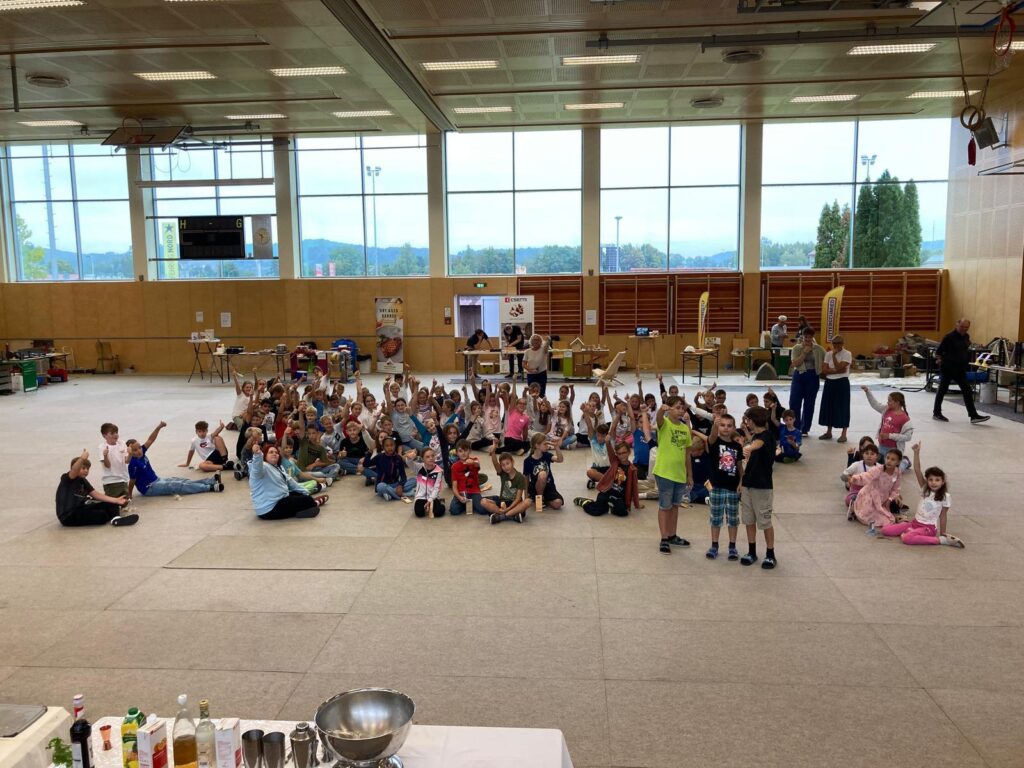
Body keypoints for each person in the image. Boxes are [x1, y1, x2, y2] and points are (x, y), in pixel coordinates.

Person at [871, 442, 965, 547]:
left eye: (937, 480)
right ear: (927, 481)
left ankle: (940, 540)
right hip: (914, 523)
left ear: (942, 482)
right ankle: (910, 530)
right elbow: (917, 470)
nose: (934, 482)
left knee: (907, 539)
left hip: (928, 528)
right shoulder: (925, 489)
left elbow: (943, 516)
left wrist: (943, 534)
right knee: (885, 530)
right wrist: (916, 453)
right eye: (931, 480)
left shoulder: (945, 497)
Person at [127, 421, 224, 498]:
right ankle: (210, 487)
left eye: (139, 447)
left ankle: (209, 481)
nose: (139, 451)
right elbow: (132, 481)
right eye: (135, 450)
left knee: (180, 480)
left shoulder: (142, 452)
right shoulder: (133, 464)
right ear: (130, 451)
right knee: (176, 485)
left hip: (157, 480)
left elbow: (150, 439)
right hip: (149, 488)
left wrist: (159, 427)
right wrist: (129, 495)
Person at [653, 396, 693, 555]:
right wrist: (660, 410)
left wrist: (689, 475)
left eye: (683, 408)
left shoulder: (685, 429)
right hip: (664, 472)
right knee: (665, 506)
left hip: (680, 474)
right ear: (669, 409)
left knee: (675, 505)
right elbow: (658, 419)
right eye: (677, 407)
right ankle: (664, 538)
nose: (681, 411)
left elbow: (687, 454)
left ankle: (672, 535)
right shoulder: (664, 424)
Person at [56, 451, 137, 527]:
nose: (86, 471)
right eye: (83, 468)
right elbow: (74, 470)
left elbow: (95, 494)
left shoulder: (83, 481)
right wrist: (82, 459)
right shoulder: (67, 479)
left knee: (112, 503)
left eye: (87, 469)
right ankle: (109, 515)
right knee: (101, 516)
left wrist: (116, 500)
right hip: (68, 515)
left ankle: (116, 519)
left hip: (81, 508)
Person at [739, 406, 776, 569]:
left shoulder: (767, 436)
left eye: (747, 419)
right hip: (748, 484)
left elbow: (758, 444)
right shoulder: (755, 436)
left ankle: (770, 554)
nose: (746, 422)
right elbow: (754, 441)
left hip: (762, 487)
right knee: (749, 520)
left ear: (752, 420)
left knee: (765, 521)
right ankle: (751, 551)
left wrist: (748, 447)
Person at [933, 318, 990, 424]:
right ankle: (936, 413)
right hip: (948, 367)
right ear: (957, 325)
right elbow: (938, 352)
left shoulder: (966, 337)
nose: (964, 329)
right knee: (942, 390)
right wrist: (939, 360)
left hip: (960, 368)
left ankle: (973, 415)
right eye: (962, 327)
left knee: (967, 390)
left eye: (966, 327)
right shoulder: (949, 337)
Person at [248, 443, 327, 520]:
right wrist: (257, 454)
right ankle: (314, 503)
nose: (274, 454)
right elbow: (257, 468)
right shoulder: (263, 467)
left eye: (276, 452)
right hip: (269, 509)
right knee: (307, 500)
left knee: (300, 494)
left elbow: (292, 483)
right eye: (271, 452)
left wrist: (305, 493)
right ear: (265, 455)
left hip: (279, 500)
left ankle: (308, 505)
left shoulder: (278, 468)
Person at [706, 412, 743, 561]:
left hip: (733, 488)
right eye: (722, 425)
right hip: (716, 487)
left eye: (729, 425)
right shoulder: (714, 442)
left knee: (733, 519)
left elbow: (739, 466)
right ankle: (714, 545)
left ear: (734, 427)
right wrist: (715, 425)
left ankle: (732, 546)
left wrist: (741, 482)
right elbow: (711, 437)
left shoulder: (737, 446)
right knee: (715, 518)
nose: (726, 428)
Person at [860, 386, 913, 472]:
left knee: (894, 471)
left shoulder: (905, 418)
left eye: (890, 400)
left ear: (897, 403)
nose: (887, 402)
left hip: (894, 449)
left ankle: (905, 462)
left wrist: (889, 436)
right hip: (882, 446)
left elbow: (908, 437)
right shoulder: (886, 409)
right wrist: (867, 392)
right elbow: (875, 404)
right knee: (877, 468)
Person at [849, 449, 902, 528]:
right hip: (869, 496)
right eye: (887, 458)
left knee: (888, 520)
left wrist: (891, 498)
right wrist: (856, 478)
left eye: (893, 459)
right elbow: (867, 475)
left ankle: (857, 506)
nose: (889, 461)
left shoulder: (897, 472)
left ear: (898, 462)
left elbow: (896, 488)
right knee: (867, 516)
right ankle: (854, 505)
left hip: (882, 499)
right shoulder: (879, 469)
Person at [788, 327, 825, 436]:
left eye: (810, 337)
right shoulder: (796, 348)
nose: (808, 339)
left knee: (809, 403)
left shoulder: (819, 349)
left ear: (813, 337)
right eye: (806, 337)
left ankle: (805, 429)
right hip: (799, 375)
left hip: (812, 376)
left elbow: (827, 360)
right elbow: (795, 363)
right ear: (802, 337)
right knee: (794, 402)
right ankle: (795, 427)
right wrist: (804, 353)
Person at [481, 444, 531, 524]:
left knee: (528, 501)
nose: (506, 467)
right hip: (502, 502)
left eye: (508, 463)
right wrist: (493, 452)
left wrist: (508, 509)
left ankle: (501, 516)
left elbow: (518, 499)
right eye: (503, 465)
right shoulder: (503, 473)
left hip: (515, 504)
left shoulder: (520, 477)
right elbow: (495, 463)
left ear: (512, 462)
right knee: (483, 501)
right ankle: (512, 515)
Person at [818, 335, 853, 442]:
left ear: (842, 344)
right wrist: (837, 370)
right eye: (834, 344)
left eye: (838, 343)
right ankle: (829, 432)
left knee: (843, 407)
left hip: (842, 382)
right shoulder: (828, 354)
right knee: (828, 406)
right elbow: (824, 370)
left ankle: (844, 433)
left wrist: (834, 356)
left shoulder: (847, 354)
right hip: (829, 382)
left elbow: (839, 367)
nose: (836, 346)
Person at [523, 433, 565, 512]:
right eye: (545, 444)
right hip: (536, 488)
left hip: (548, 487)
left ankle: (545, 500)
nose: (547, 446)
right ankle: (539, 498)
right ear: (537, 445)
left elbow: (560, 460)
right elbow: (526, 479)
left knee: (558, 503)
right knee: (542, 474)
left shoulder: (546, 455)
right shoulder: (528, 461)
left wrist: (556, 447)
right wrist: (525, 496)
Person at [450, 439, 487, 516]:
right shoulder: (454, 467)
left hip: (474, 492)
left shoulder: (474, 460)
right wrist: (459, 497)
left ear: (470, 451)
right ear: (457, 453)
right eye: (460, 451)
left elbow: (478, 464)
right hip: (461, 493)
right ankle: (468, 504)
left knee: (483, 510)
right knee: (454, 510)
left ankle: (485, 500)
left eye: (466, 450)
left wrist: (473, 463)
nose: (463, 453)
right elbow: (454, 486)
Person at [98, 422, 130, 500]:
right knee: (112, 504)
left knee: (125, 502)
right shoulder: (102, 447)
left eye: (116, 432)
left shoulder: (122, 443)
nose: (115, 435)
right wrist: (105, 456)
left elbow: (127, 461)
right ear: (104, 435)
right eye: (112, 433)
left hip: (124, 479)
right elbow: (107, 465)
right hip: (111, 481)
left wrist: (130, 454)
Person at [413, 448, 446, 519]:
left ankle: (441, 502)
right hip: (421, 497)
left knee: (439, 512)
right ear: (423, 459)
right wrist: (410, 457)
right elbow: (409, 463)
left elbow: (436, 488)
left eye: (432, 456)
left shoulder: (439, 471)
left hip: (433, 497)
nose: (431, 458)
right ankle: (427, 507)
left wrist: (430, 500)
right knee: (419, 513)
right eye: (427, 457)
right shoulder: (419, 467)